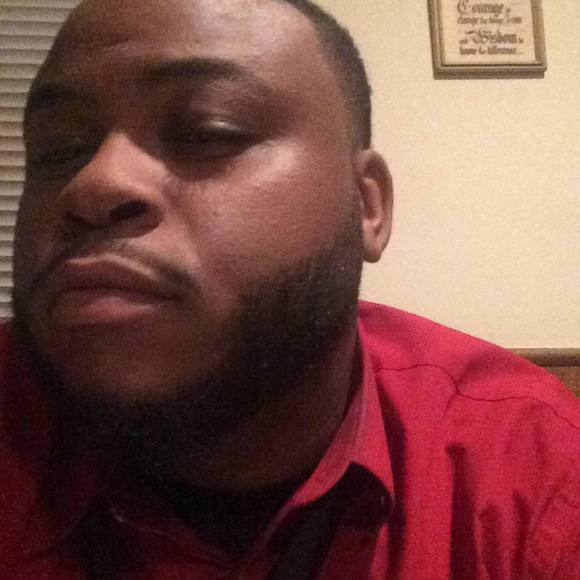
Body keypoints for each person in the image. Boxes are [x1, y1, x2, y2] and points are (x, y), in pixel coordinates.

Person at [1, 0, 578, 577]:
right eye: (58, 150)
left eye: (209, 131)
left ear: (366, 206)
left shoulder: (534, 482)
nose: (93, 183)